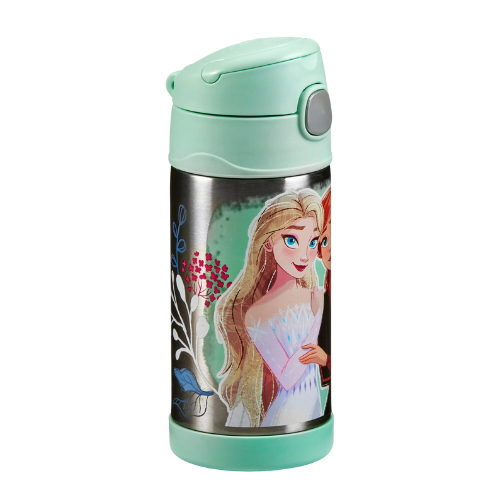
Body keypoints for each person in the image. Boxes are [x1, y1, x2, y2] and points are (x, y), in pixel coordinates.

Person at [215, 189, 325, 427]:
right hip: (284, 413)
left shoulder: (315, 295)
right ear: (268, 242)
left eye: (312, 242)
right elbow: (287, 377)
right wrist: (317, 318)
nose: (304, 256)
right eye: (291, 240)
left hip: (313, 407)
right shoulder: (258, 314)